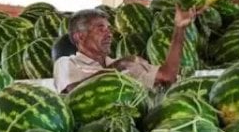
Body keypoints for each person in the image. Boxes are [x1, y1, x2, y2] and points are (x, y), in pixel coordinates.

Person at [53, 7, 197, 93]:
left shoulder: (127, 66)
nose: (109, 34)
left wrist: (179, 28)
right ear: (80, 36)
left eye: (109, 29)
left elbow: (167, 76)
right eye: (100, 28)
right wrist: (118, 66)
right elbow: (74, 91)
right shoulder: (66, 63)